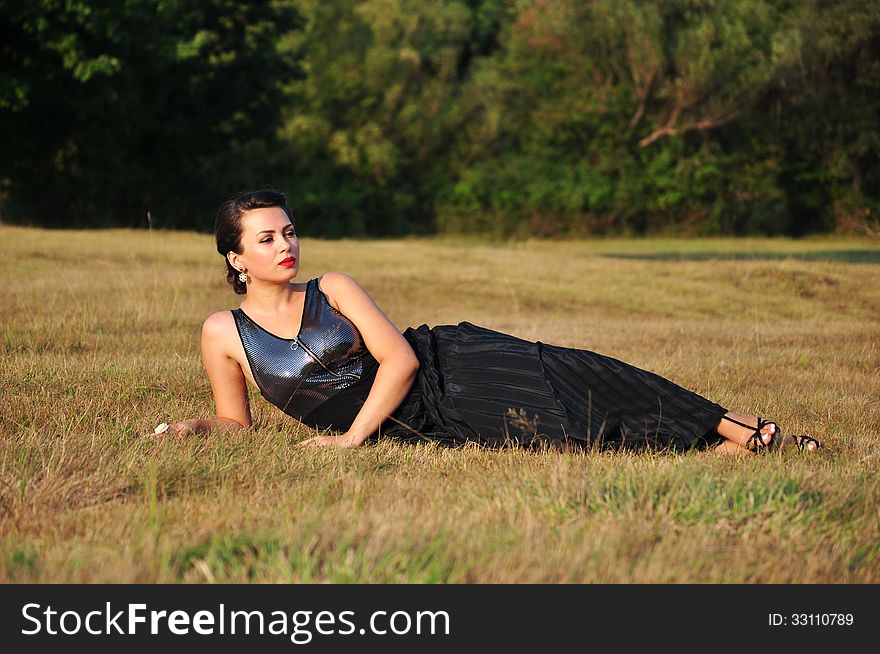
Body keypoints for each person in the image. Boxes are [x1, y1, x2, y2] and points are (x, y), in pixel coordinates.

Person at [156, 189, 821, 455]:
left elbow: (402, 361)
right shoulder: (222, 333)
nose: (285, 246)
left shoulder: (333, 287)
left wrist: (351, 439)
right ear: (236, 256)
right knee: (571, 433)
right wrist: (196, 425)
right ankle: (734, 442)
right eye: (267, 239)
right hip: (427, 423)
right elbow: (237, 423)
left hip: (447, 367)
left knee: (585, 375)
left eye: (290, 232)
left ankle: (748, 432)